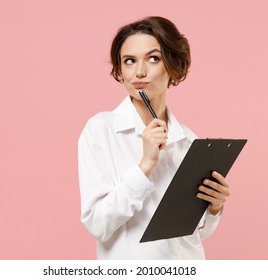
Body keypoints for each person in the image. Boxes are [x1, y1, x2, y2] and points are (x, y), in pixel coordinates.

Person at [78, 16, 230, 259]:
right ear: (120, 70)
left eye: (153, 58)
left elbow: (194, 235)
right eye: (129, 61)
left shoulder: (189, 141)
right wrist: (145, 166)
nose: (139, 71)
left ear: (172, 65)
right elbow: (97, 224)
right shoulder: (101, 130)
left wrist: (214, 207)